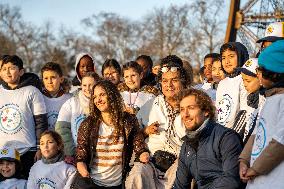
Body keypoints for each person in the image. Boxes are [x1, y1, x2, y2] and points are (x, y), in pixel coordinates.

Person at [126, 55, 188, 189]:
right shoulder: (152, 104)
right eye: (165, 81)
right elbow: (134, 135)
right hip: (151, 161)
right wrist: (145, 131)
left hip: (179, 162)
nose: (169, 85)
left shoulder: (191, 104)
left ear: (183, 82)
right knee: (137, 175)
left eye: (174, 80)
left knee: (180, 176)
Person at [76, 80, 148, 188]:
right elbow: (81, 153)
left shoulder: (129, 120)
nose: (98, 100)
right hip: (92, 183)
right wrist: (81, 166)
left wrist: (143, 153)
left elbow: (138, 143)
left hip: (118, 184)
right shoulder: (88, 124)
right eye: (95, 97)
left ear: (112, 95)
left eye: (102, 95)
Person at [173, 88, 243, 189]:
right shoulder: (187, 145)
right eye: (182, 109)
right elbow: (180, 185)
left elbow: (232, 180)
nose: (185, 114)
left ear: (206, 111)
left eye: (191, 108)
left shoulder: (226, 137)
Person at [239, 40, 284, 189]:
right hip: (257, 181)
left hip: (275, 181)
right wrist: (244, 160)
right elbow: (256, 133)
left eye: (261, 70)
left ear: (275, 73)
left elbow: (281, 142)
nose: (257, 74)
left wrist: (256, 168)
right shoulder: (269, 99)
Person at [0, 55, 48, 178]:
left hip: (28, 151)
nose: (7, 71)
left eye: (11, 68)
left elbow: (41, 122)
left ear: (21, 71)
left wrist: (39, 148)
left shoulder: (32, 91)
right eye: (4, 68)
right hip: (3, 153)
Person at [55, 72, 100, 159]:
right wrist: (71, 152)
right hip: (76, 154)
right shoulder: (71, 103)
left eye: (91, 85)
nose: (87, 88)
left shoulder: (102, 103)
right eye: (84, 85)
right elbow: (61, 129)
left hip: (99, 155)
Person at [216, 42, 249, 129]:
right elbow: (217, 110)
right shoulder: (222, 83)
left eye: (231, 56)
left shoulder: (244, 80)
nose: (227, 61)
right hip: (221, 132)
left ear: (241, 57)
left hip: (235, 135)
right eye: (223, 58)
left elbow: (245, 113)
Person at [234, 58, 265, 143]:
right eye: (243, 80)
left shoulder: (266, 100)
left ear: (260, 78)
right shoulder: (249, 98)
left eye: (248, 81)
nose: (244, 84)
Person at [41, 62, 72, 130]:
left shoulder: (70, 99)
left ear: (61, 79)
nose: (49, 81)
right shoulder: (39, 98)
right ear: (42, 80)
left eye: (53, 77)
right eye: (46, 78)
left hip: (64, 139)